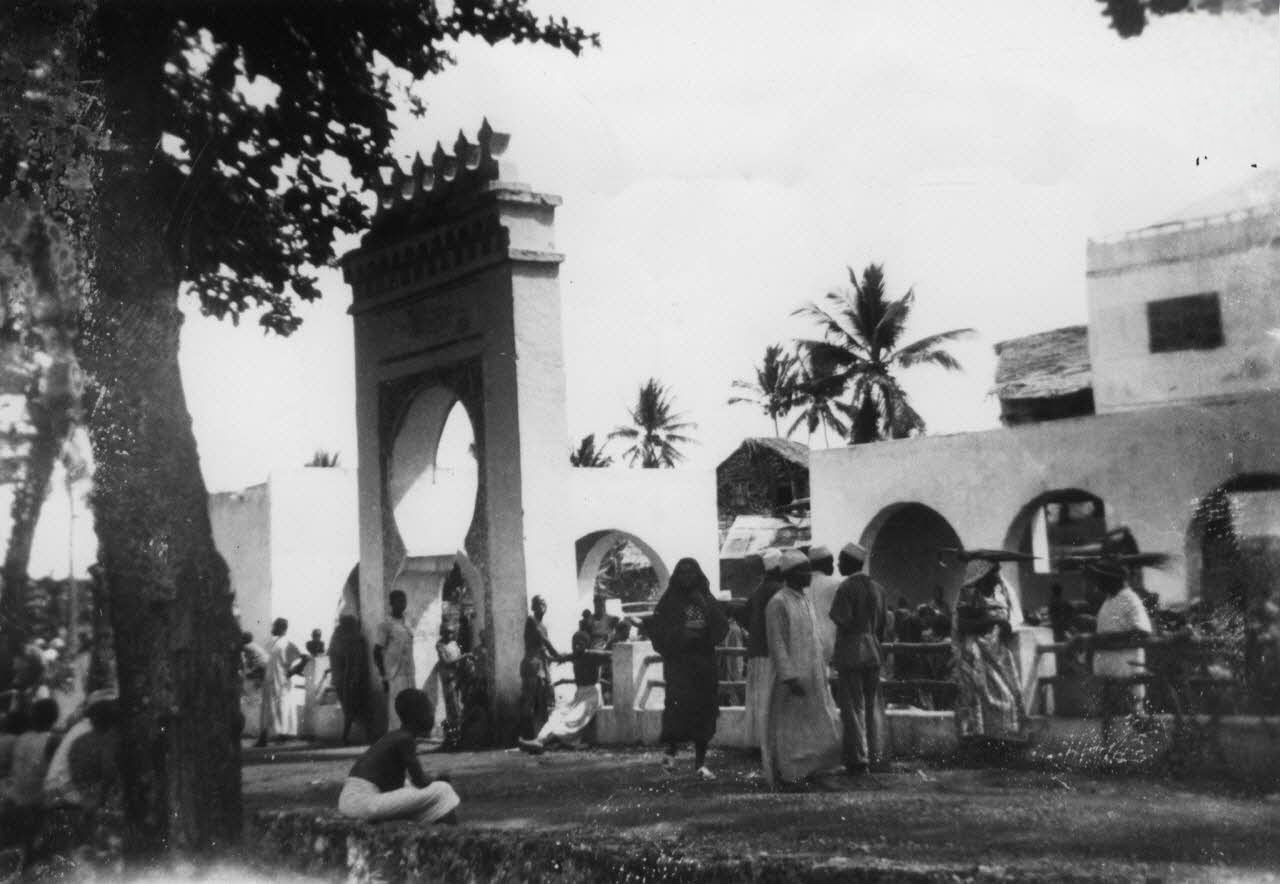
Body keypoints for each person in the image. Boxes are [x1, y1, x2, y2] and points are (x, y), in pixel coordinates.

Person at [763, 550, 842, 789]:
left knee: (814, 725)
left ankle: (811, 771)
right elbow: (777, 643)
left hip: (814, 674)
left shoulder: (805, 600)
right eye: (804, 571)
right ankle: (789, 775)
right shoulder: (778, 602)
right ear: (791, 574)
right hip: (792, 678)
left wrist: (822, 666)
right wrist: (789, 676)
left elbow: (814, 637)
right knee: (790, 729)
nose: (809, 575)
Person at [649, 557, 729, 779]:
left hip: (703, 664)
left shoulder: (705, 597)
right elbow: (657, 629)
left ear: (697, 575)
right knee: (677, 710)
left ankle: (700, 763)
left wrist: (703, 606)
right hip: (679, 664)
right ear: (676, 576)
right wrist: (679, 635)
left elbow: (722, 626)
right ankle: (670, 759)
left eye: (690, 572)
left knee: (704, 711)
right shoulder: (669, 601)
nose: (686, 577)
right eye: (682, 573)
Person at [337, 689, 459, 824]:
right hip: (363, 802)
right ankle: (456, 836)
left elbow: (394, 784)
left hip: (351, 802)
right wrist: (439, 780)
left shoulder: (395, 736)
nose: (433, 716)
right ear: (417, 715)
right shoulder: (405, 739)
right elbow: (420, 781)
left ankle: (441, 832)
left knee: (412, 788)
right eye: (430, 711)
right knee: (443, 789)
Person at [952, 559, 1026, 758]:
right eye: (994, 572)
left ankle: (1001, 744)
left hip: (998, 653)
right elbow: (964, 625)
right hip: (976, 653)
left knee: (1007, 697)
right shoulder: (969, 594)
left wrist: (1005, 625)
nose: (997, 576)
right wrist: (992, 619)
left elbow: (1011, 620)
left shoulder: (1002, 592)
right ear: (982, 574)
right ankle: (979, 748)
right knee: (979, 699)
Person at [829, 542, 889, 775]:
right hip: (873, 649)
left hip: (852, 650)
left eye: (841, 560)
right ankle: (877, 755)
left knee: (852, 706)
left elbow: (841, 619)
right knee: (873, 705)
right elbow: (883, 624)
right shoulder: (878, 588)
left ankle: (857, 758)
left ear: (849, 562)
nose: (837, 564)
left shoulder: (846, 588)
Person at [1087, 559, 1153, 740]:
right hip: (1111, 670)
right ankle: (1107, 750)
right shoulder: (1110, 599)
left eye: (1102, 579)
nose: (1099, 583)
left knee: (1135, 714)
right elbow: (1114, 625)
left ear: (1112, 580)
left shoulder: (1130, 599)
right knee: (1108, 713)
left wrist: (1106, 638)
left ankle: (1156, 745)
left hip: (1126, 669)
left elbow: (1142, 632)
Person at [518, 628, 611, 754]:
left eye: (580, 643)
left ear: (586, 644)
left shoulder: (592, 655)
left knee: (573, 718)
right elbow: (559, 657)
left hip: (592, 696)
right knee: (558, 714)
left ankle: (543, 742)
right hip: (578, 695)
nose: (577, 645)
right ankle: (539, 739)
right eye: (574, 643)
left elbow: (612, 655)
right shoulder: (575, 656)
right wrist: (548, 653)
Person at [744, 550, 782, 749]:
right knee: (770, 699)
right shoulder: (779, 590)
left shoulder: (759, 590)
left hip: (756, 650)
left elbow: (744, 615)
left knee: (758, 698)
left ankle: (758, 741)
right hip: (770, 652)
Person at [257, 618, 307, 747]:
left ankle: (281, 736)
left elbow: (305, 657)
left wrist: (293, 671)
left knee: (281, 708)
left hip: (281, 681)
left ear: (281, 628)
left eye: (274, 626)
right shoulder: (274, 642)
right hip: (270, 679)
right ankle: (264, 738)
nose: (272, 629)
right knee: (267, 708)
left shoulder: (288, 642)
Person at [519, 596, 563, 740]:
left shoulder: (543, 625)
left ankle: (539, 736)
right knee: (529, 701)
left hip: (541, 666)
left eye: (544, 603)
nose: (542, 606)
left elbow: (543, 649)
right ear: (533, 607)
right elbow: (544, 640)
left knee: (542, 703)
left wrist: (554, 658)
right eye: (538, 604)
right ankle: (528, 736)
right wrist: (557, 655)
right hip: (532, 665)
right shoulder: (532, 621)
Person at [375, 590, 416, 732]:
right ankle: (395, 736)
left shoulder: (408, 622)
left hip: (409, 671)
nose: (402, 604)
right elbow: (376, 651)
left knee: (410, 706)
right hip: (394, 673)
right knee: (396, 706)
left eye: (404, 601)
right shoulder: (386, 625)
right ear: (391, 603)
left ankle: (408, 736)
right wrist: (383, 676)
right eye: (399, 601)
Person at [328, 615, 372, 745]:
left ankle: (347, 736)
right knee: (353, 708)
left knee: (351, 708)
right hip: (349, 679)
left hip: (345, 679)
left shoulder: (341, 637)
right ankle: (351, 736)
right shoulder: (353, 638)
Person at [806, 546, 840, 667]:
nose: (833, 567)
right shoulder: (836, 584)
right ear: (824, 564)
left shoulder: (801, 585)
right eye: (831, 563)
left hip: (806, 643)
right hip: (830, 642)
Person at [436, 625, 463, 729]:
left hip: (456, 676)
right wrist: (462, 658)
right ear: (442, 633)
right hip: (448, 677)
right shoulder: (440, 645)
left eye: (451, 633)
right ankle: (454, 728)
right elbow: (446, 662)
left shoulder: (453, 643)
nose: (450, 635)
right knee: (452, 703)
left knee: (458, 702)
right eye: (447, 633)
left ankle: (458, 728)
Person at [718, 614, 747, 706]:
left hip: (731, 679)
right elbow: (734, 662)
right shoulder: (733, 629)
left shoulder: (733, 629)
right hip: (730, 677)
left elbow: (733, 661)